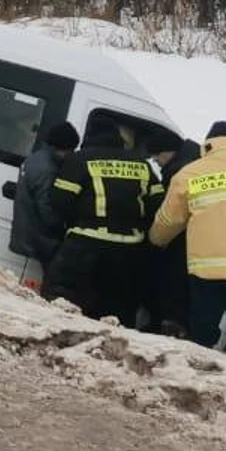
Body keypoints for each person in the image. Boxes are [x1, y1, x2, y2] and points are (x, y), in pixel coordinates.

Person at [149, 122, 226, 360]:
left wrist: (155, 240)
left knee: (203, 332)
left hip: (206, 269)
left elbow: (169, 220)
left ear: (208, 144)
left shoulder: (190, 173)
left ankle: (198, 379)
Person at [43, 119, 163, 324]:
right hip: (128, 250)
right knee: (117, 312)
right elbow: (158, 205)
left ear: (88, 139)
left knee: (61, 306)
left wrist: (77, 221)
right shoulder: (142, 165)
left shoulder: (80, 160)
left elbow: (59, 200)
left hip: (85, 245)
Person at [143, 132, 201, 335]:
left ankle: (169, 328)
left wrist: (155, 239)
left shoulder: (180, 172)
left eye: (156, 155)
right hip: (196, 241)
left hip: (181, 241)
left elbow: (172, 215)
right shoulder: (194, 161)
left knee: (172, 285)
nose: (156, 161)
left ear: (169, 152)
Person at [11, 121, 78, 275]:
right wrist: (63, 230)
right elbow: (47, 209)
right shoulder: (48, 169)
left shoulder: (35, 158)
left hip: (28, 232)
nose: (72, 154)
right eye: (71, 149)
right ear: (62, 147)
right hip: (40, 238)